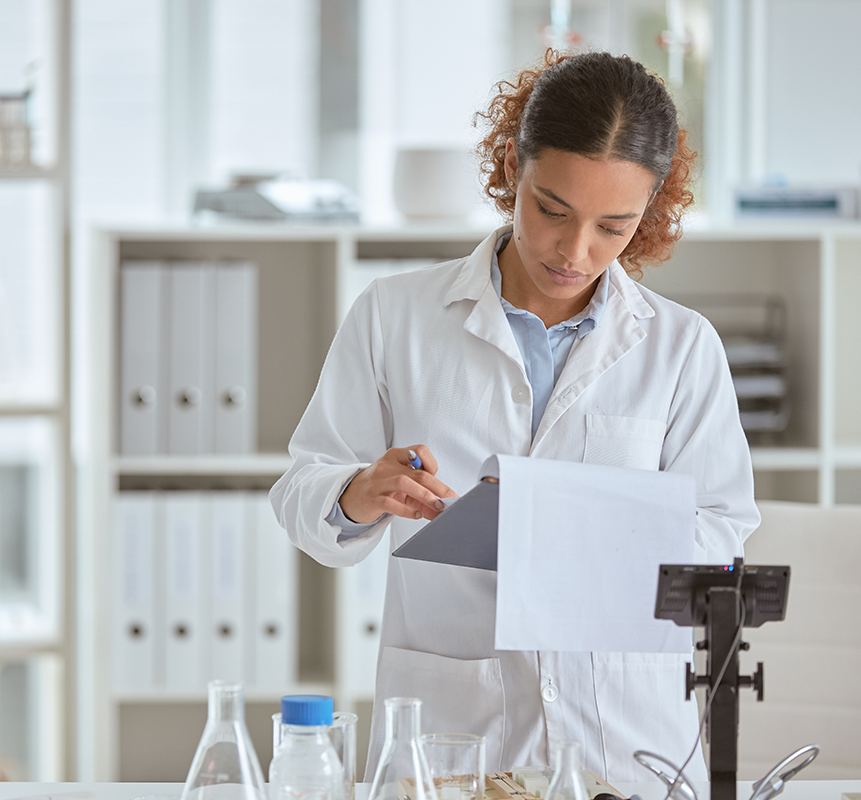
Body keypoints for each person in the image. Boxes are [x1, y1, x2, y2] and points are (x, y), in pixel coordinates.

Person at [269, 50, 759, 783]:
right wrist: (355, 494)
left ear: (649, 210)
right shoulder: (394, 316)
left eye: (613, 227)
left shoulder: (680, 346)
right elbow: (302, 489)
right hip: (454, 736)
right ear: (511, 165)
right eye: (552, 210)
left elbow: (723, 532)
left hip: (623, 742)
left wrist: (574, 529)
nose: (575, 250)